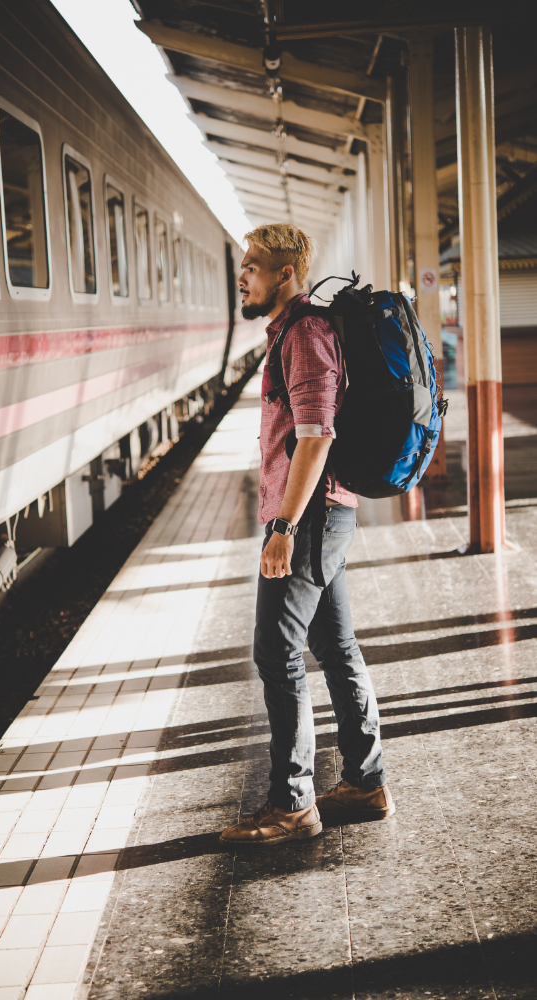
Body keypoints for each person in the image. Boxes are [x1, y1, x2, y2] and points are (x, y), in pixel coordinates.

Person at [220, 224, 394, 847]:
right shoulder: (293, 333)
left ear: (284, 274)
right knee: (336, 646)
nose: (243, 275)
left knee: (277, 654)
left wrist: (283, 528)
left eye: (254, 265)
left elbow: (316, 434)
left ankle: (293, 803)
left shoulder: (306, 334)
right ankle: (366, 782)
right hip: (320, 516)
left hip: (311, 515)